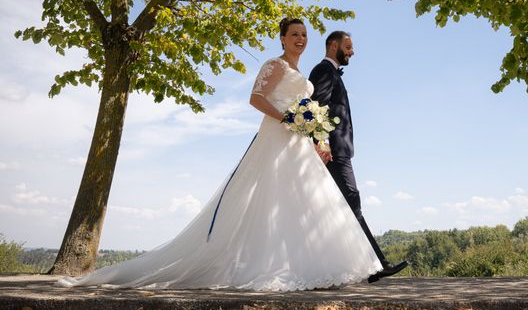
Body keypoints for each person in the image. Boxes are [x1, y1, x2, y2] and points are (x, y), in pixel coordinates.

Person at [58, 18, 382, 291]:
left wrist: (312, 131)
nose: (300, 39)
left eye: (304, 35)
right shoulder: (275, 65)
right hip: (276, 136)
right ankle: (264, 264)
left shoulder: (301, 72)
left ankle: (309, 262)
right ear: (282, 39)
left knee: (306, 199)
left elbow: (307, 106)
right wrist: (287, 117)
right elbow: (256, 99)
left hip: (299, 143)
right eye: (294, 34)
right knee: (270, 197)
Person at [309, 31, 408, 283]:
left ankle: (368, 267)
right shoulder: (323, 71)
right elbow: (317, 107)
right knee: (352, 202)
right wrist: (322, 143)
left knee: (340, 207)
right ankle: (377, 266)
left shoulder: (331, 73)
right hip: (333, 151)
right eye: (348, 47)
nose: (352, 52)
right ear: (334, 46)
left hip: (338, 149)